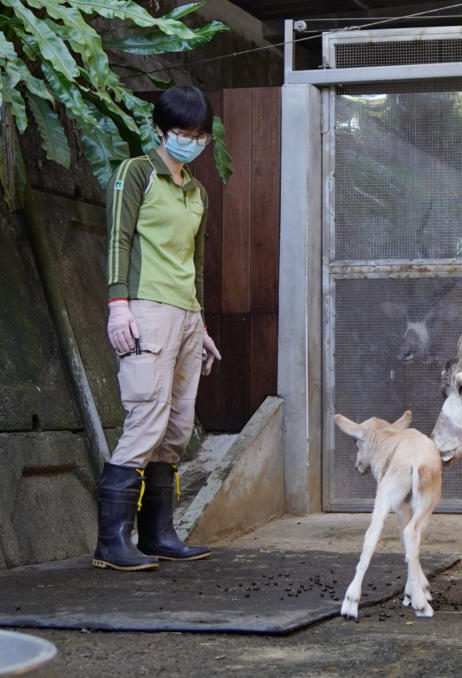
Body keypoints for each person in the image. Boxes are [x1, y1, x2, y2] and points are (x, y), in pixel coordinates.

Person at [94, 85, 222, 571]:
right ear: (161, 130)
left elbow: (196, 262)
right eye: (184, 133)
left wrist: (201, 323)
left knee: (177, 428)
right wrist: (118, 306)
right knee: (146, 417)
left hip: (186, 315)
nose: (192, 142)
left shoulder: (197, 192)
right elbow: (117, 240)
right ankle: (111, 543)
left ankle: (158, 535)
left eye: (200, 136)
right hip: (145, 309)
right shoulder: (136, 172)